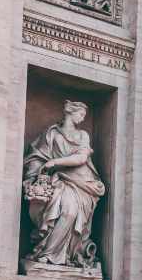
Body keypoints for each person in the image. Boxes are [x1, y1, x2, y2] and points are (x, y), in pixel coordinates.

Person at [22, 100, 107, 269]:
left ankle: (56, 254)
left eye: (84, 116)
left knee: (70, 212)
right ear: (70, 112)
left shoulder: (83, 135)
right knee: (57, 209)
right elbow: (37, 156)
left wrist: (54, 162)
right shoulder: (51, 133)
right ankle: (48, 253)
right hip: (59, 180)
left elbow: (82, 158)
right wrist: (36, 173)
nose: (82, 119)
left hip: (82, 182)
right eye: (81, 114)